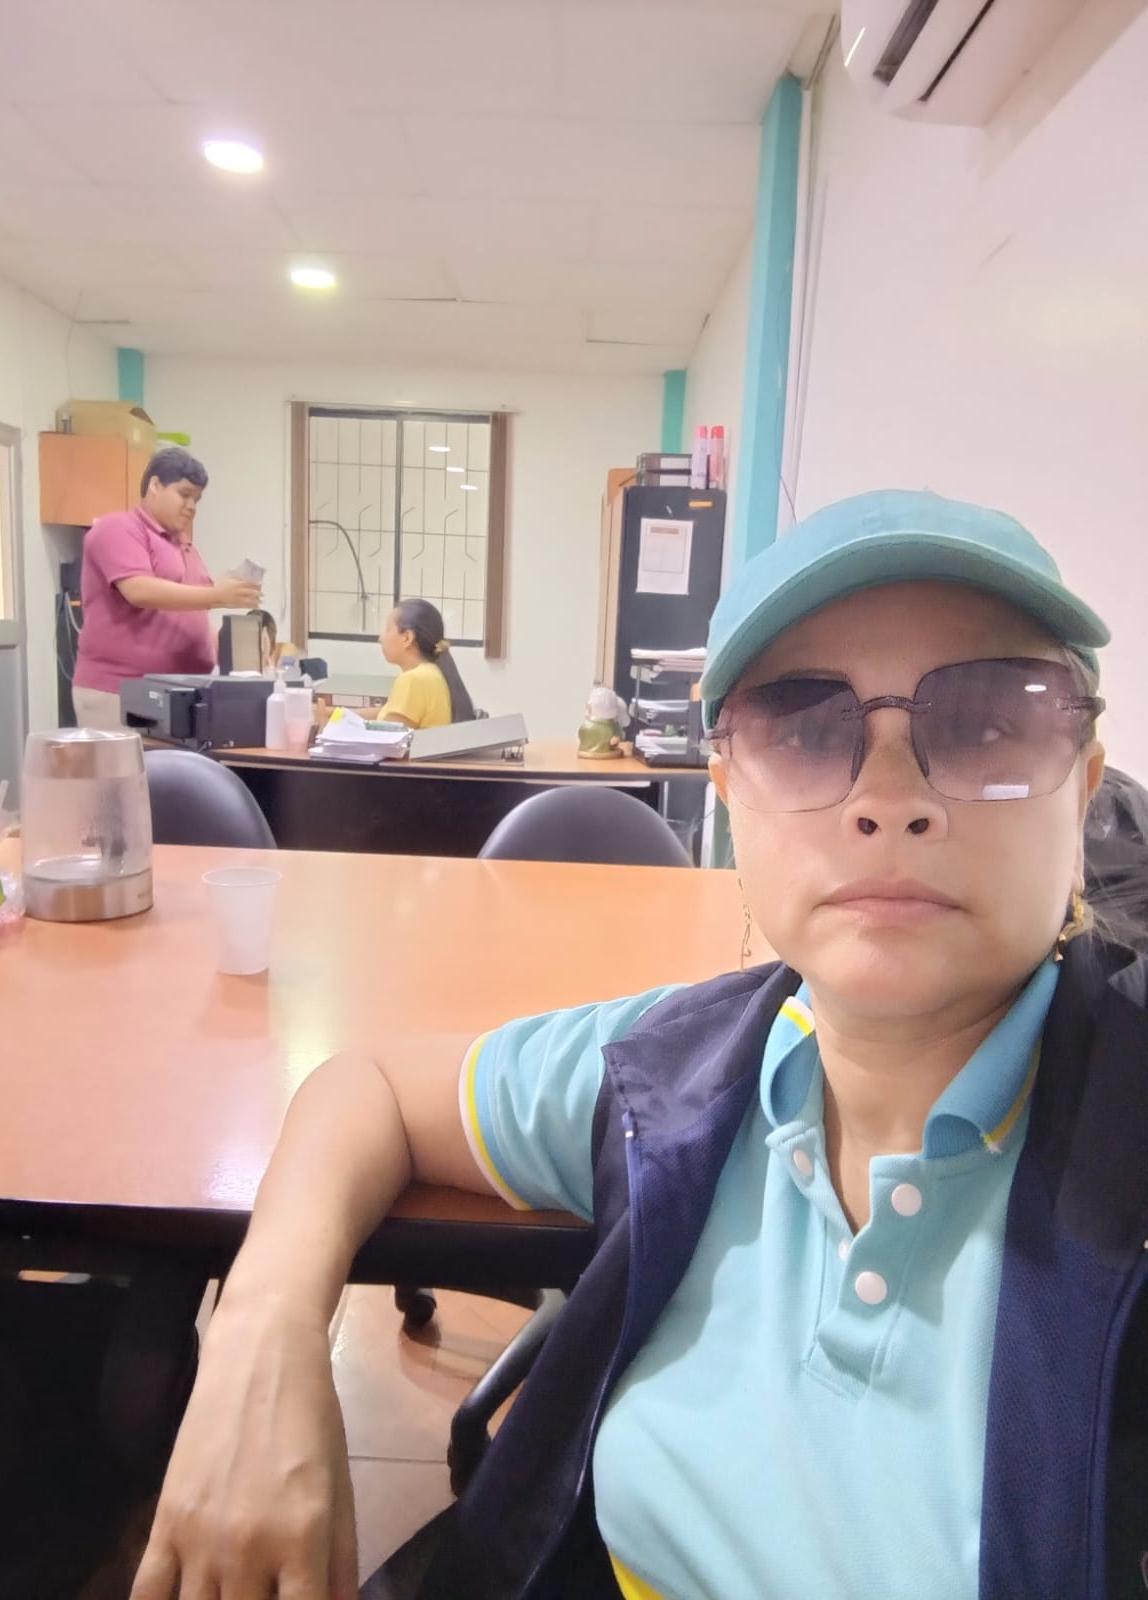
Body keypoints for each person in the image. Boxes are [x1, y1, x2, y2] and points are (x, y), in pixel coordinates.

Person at [132, 490, 1148, 1600]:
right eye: (808, 729)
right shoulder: (683, 1074)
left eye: (987, 722)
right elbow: (364, 1084)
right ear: (728, 797)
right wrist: (264, 1332)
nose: (887, 801)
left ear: (1084, 786)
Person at [72, 448, 261, 731]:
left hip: (176, 694)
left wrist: (236, 663)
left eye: (197, 499)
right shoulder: (118, 529)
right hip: (120, 691)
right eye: (184, 494)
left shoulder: (183, 545)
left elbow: (194, 615)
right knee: (123, 762)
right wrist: (218, 595)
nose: (192, 506)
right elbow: (139, 590)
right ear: (155, 485)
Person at [376, 598, 475, 728]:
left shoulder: (413, 680)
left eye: (388, 629)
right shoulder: (432, 672)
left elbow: (387, 738)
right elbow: (388, 711)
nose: (381, 638)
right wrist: (349, 715)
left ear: (407, 638)